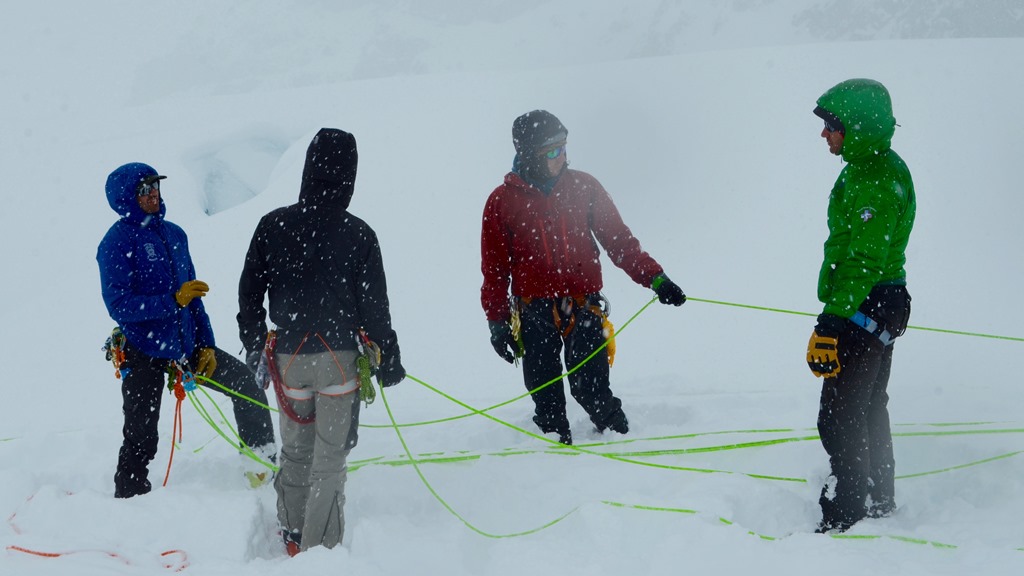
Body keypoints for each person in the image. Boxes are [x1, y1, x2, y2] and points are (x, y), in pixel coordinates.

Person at [237, 128, 405, 555]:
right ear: (349, 175)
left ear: (309, 169)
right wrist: (389, 358)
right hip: (339, 360)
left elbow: (249, 292)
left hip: (290, 357)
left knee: (295, 453)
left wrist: (255, 343)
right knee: (329, 458)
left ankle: (293, 535)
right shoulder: (358, 233)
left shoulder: (272, 225)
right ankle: (319, 550)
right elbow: (375, 309)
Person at [480, 110, 686, 446]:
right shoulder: (502, 202)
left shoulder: (584, 187)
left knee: (592, 388)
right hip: (534, 313)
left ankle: (620, 439)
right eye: (551, 151)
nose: (561, 156)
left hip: (583, 307)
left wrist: (656, 278)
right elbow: (495, 270)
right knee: (545, 393)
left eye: (563, 147)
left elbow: (619, 242)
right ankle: (553, 450)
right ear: (530, 153)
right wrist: (497, 321)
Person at [97, 162, 277, 499]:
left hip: (186, 345)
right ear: (126, 198)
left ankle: (260, 468)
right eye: (144, 189)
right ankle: (129, 499)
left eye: (156, 186)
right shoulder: (116, 243)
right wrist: (171, 300)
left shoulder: (175, 234)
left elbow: (193, 299)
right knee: (141, 434)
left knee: (245, 387)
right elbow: (119, 305)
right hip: (143, 348)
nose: (153, 194)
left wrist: (206, 344)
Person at [806, 79, 916, 533]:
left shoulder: (877, 181)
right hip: (875, 300)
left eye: (832, 126)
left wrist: (831, 322)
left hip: (865, 302)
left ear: (857, 128)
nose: (824, 134)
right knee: (868, 406)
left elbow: (864, 259)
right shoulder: (864, 167)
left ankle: (847, 511)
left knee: (839, 414)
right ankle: (876, 500)